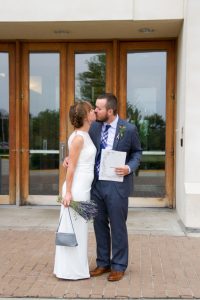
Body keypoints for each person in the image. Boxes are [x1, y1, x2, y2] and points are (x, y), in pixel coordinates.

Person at [89, 93, 142, 281]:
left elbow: (137, 152)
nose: (95, 110)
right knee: (99, 224)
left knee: (118, 226)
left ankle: (119, 265)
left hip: (117, 185)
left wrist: (129, 168)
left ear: (110, 111)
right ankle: (103, 262)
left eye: (99, 108)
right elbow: (85, 149)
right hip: (96, 185)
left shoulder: (128, 129)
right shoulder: (94, 127)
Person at [54, 100, 96, 280]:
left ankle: (76, 268)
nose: (94, 111)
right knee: (74, 229)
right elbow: (71, 168)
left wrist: (67, 160)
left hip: (83, 187)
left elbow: (71, 160)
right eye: (91, 110)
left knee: (79, 229)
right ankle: (70, 271)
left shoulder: (83, 135)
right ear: (86, 116)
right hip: (76, 189)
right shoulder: (79, 138)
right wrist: (68, 192)